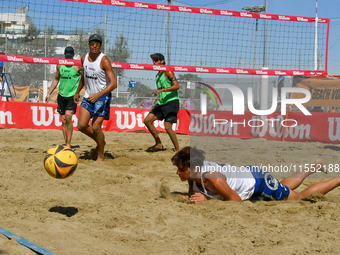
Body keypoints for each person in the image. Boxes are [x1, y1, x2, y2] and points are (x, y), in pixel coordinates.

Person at [171, 146, 340, 203]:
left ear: (193, 168)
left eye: (181, 169)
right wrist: (191, 197)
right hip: (249, 173)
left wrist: (207, 200)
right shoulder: (194, 174)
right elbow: (195, 192)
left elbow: (235, 200)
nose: (177, 172)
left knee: (299, 198)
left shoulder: (213, 178)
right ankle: (314, 166)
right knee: (282, 186)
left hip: (259, 183)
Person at [74, 34, 117, 162]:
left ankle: (100, 155)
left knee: (96, 127)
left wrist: (98, 95)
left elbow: (114, 83)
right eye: (92, 43)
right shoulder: (84, 58)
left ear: (100, 46)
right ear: (88, 44)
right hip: (88, 96)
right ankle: (101, 143)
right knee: (81, 126)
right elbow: (84, 77)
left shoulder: (104, 60)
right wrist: (77, 91)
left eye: (97, 44)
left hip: (102, 97)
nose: (94, 46)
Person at [45, 46, 82, 148]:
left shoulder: (77, 66)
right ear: (65, 55)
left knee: (68, 116)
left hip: (72, 96)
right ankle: (66, 143)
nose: (69, 56)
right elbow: (56, 79)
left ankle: (69, 144)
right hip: (62, 95)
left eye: (70, 54)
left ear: (73, 55)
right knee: (64, 120)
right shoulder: (60, 65)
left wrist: (78, 92)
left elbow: (85, 79)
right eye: (67, 54)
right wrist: (49, 93)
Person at [144, 53, 180, 152]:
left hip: (172, 102)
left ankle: (178, 150)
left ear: (162, 61)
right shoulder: (157, 76)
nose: (154, 61)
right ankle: (158, 144)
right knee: (147, 121)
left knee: (168, 127)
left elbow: (176, 86)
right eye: (153, 60)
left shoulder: (168, 71)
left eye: (156, 59)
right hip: (162, 103)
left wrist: (162, 91)